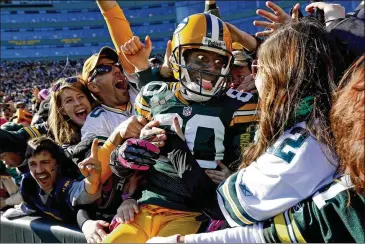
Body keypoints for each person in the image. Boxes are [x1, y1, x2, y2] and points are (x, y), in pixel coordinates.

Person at [146, 55, 365, 244]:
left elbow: (222, 208)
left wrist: (176, 148)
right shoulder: (318, 127)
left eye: (260, 68)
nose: (253, 75)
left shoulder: (311, 139)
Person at [103, 12, 259, 243]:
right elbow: (125, 168)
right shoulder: (153, 97)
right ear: (179, 56)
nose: (211, 69)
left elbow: (250, 158)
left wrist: (236, 176)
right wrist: (127, 155)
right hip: (145, 206)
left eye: (218, 61)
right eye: (201, 59)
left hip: (196, 212)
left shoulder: (241, 104)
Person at [3, 137, 102, 223]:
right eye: (33, 164)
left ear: (57, 164)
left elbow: (82, 191)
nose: (39, 170)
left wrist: (92, 180)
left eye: (45, 162)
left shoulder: (64, 185)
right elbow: (30, 207)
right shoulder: (28, 184)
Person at [48, 76, 96, 146]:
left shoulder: (111, 120)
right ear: (62, 111)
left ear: (89, 100)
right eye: (69, 100)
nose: (78, 103)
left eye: (80, 97)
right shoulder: (65, 149)